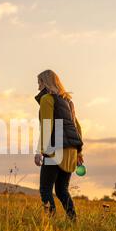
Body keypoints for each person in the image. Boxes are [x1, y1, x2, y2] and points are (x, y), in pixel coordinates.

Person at [34, 70, 84, 221]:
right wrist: (79, 153)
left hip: (55, 149)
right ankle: (73, 220)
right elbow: (77, 127)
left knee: (45, 189)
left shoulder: (47, 99)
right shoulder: (68, 101)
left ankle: (51, 221)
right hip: (72, 150)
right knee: (62, 190)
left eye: (39, 83)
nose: (37, 87)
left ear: (45, 83)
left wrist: (40, 151)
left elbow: (47, 125)